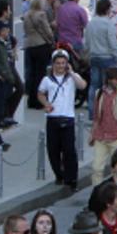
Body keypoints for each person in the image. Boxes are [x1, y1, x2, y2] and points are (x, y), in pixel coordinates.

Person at [38, 49, 86, 191]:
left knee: (69, 151)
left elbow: (83, 85)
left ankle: (72, 179)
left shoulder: (71, 77)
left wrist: (71, 72)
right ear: (53, 64)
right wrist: (46, 104)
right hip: (53, 118)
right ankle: (59, 175)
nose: (60, 66)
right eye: (58, 63)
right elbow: (40, 94)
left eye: (63, 63)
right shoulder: (47, 80)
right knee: (53, 150)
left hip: (68, 118)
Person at [89, 66, 117, 186]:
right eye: (114, 79)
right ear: (108, 80)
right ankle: (96, 195)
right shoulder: (99, 94)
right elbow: (96, 117)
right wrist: (93, 133)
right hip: (101, 136)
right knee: (96, 168)